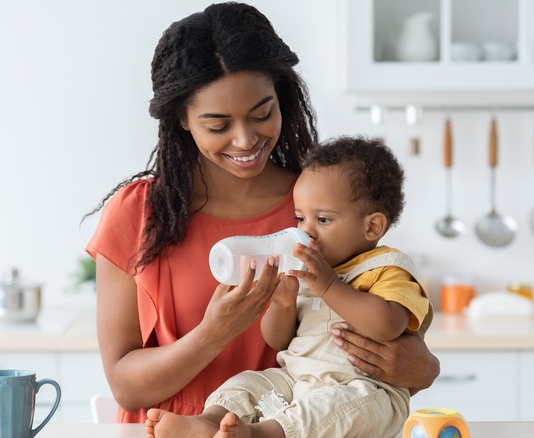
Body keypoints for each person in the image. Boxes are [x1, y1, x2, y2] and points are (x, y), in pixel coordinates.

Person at [84, 2, 439, 424]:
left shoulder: (321, 208)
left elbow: (387, 335)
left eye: (262, 114)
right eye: (218, 126)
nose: (245, 140)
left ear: (282, 97)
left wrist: (424, 367)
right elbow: (125, 386)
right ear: (182, 118)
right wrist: (215, 332)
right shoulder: (138, 213)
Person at [145, 136, 433, 438]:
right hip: (295, 378)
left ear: (372, 226)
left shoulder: (387, 267)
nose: (305, 230)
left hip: (361, 388)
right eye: (300, 217)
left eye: (322, 219)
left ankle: (260, 434)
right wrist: (282, 305)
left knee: (340, 406)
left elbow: (388, 325)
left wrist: (330, 286)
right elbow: (278, 341)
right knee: (248, 383)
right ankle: (209, 422)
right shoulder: (310, 270)